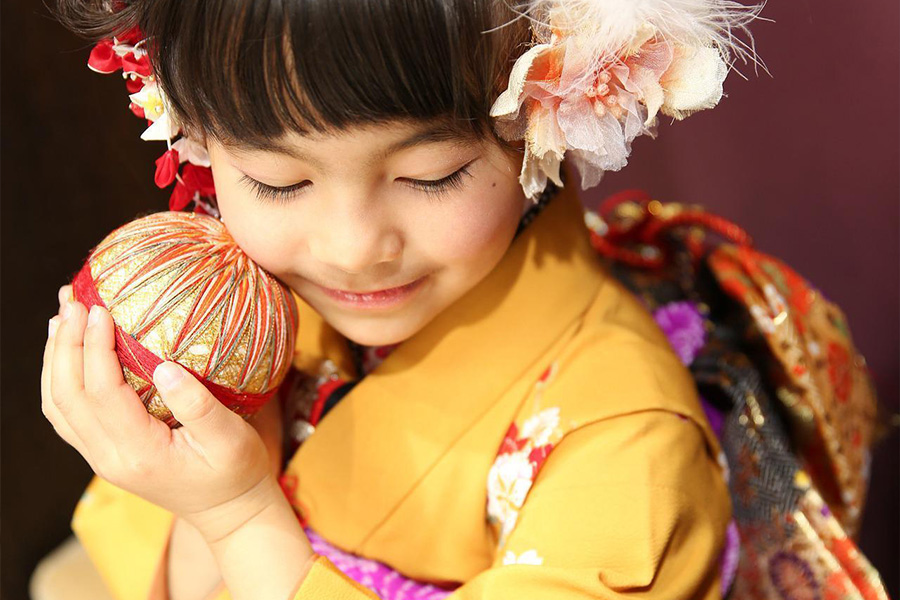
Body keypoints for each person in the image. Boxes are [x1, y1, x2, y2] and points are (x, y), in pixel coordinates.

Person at [38, 1, 771, 599]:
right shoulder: (238, 318)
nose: (351, 248)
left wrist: (238, 518)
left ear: (547, 120)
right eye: (278, 181)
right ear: (193, 136)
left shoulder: (627, 445)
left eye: (430, 174)